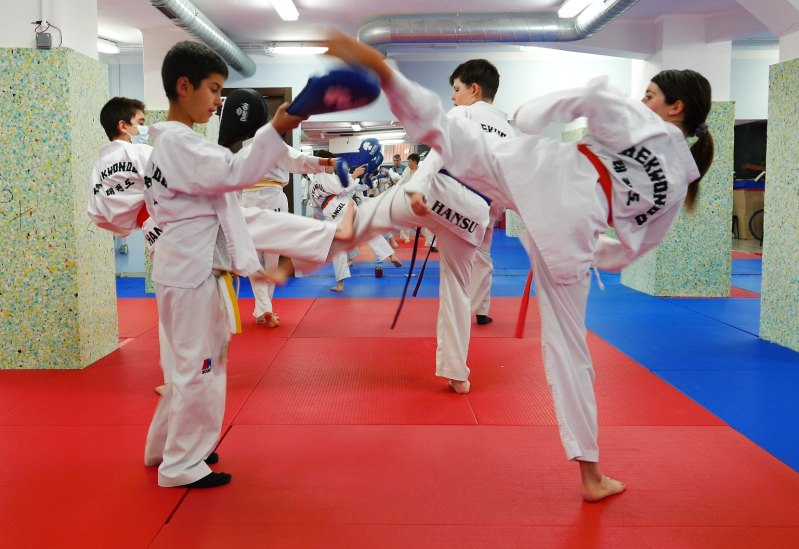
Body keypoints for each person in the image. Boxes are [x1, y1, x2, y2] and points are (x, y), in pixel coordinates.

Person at [325, 31, 713, 502]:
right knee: (570, 349)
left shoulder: (642, 122)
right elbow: (636, 246)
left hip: (538, 173)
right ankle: (591, 475)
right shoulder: (680, 180)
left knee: (449, 133)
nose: (642, 100)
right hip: (575, 230)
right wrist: (588, 253)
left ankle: (382, 72)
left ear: (675, 107)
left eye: (650, 94)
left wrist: (530, 116)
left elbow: (582, 99)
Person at [141, 41, 346, 489]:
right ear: (184, 85)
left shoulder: (167, 146)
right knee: (200, 368)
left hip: (183, 269)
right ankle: (181, 465)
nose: (218, 101)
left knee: (190, 366)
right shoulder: (181, 145)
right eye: (214, 89)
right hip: (192, 273)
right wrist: (278, 125)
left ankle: (170, 447)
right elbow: (236, 172)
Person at [409, 59, 511, 326]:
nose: (453, 97)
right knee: (483, 253)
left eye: (456, 89)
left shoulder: (462, 113)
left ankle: (458, 316)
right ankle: (480, 309)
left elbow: (439, 150)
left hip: (460, 196)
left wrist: (419, 184)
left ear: (473, 89)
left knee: (454, 261)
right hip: (491, 201)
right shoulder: (509, 129)